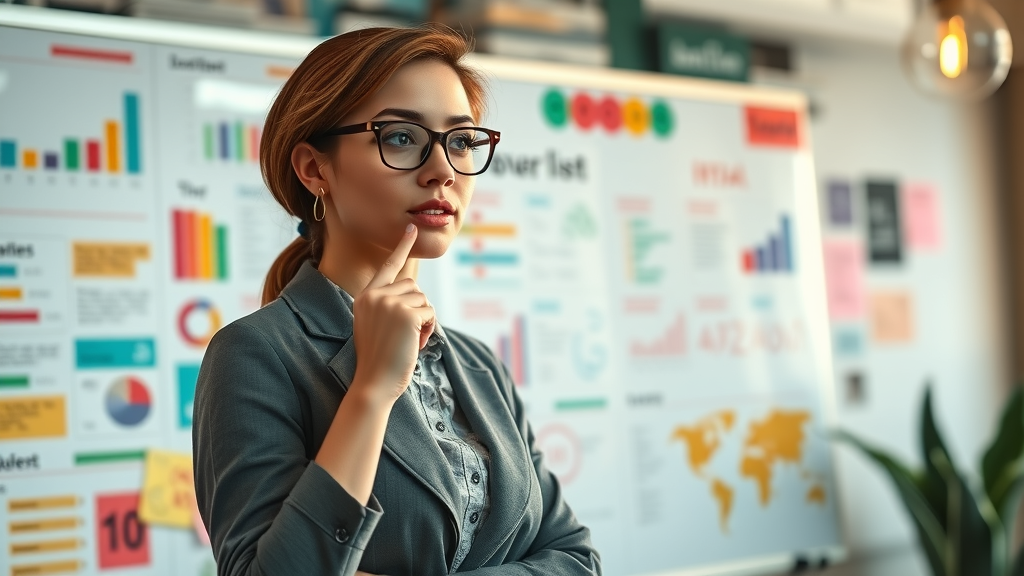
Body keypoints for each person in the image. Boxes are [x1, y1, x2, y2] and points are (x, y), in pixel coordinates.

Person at [192, 25, 602, 576]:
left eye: (460, 141)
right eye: (402, 137)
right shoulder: (254, 355)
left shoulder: (478, 365)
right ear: (315, 169)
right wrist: (371, 391)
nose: (443, 171)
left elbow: (578, 559)